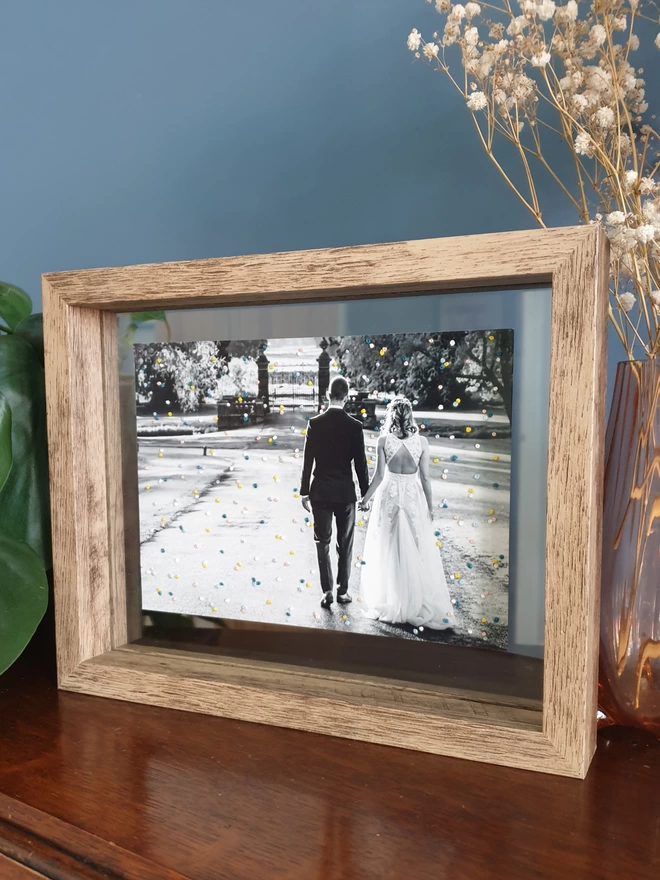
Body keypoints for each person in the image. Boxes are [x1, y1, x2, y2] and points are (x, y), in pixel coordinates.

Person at [359, 397, 454, 630]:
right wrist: (429, 507)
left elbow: (379, 476)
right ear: (410, 415)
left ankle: (394, 599)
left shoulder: (383, 441)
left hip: (390, 495)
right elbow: (425, 478)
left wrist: (364, 499)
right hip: (412, 497)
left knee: (388, 546)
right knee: (414, 545)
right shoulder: (421, 442)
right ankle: (414, 599)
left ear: (391, 416)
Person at [300, 376, 369, 609]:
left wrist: (303, 492)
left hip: (320, 491)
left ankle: (327, 590)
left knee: (322, 543)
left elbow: (307, 461)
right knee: (345, 543)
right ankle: (343, 590)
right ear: (347, 397)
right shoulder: (355, 426)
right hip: (345, 493)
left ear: (328, 395)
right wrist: (365, 494)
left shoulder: (315, 423)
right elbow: (361, 464)